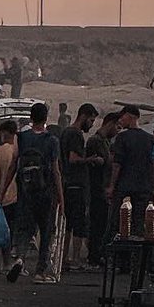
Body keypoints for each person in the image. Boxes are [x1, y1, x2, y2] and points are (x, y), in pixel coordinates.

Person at [4, 102, 63, 283]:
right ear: (46, 118)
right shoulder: (52, 140)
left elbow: (14, 164)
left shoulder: (22, 137)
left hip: (25, 191)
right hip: (46, 192)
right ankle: (40, 272)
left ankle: (20, 258)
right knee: (45, 231)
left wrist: (4, 188)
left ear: (31, 117)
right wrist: (61, 197)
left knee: (25, 228)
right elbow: (55, 170)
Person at [60, 103, 100, 271]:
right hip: (76, 184)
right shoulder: (76, 134)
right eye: (91, 120)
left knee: (68, 223)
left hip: (67, 183)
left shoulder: (66, 132)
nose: (91, 125)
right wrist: (91, 160)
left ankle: (64, 258)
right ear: (84, 116)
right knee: (78, 222)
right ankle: (75, 258)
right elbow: (73, 158)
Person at [107, 104, 154, 238]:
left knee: (118, 223)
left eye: (122, 117)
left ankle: (118, 256)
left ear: (130, 117)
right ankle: (137, 255)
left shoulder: (122, 138)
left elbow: (117, 164)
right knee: (138, 224)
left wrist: (111, 186)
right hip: (143, 188)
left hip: (124, 187)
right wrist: (153, 186)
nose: (120, 121)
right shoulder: (151, 139)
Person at [86, 112, 119, 265]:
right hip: (96, 189)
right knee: (97, 225)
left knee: (102, 224)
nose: (118, 131)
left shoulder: (105, 142)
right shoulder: (95, 141)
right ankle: (94, 255)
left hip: (102, 189)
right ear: (110, 123)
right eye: (117, 127)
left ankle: (98, 254)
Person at [0, 118, 20, 272]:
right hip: (21, 196)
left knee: (5, 230)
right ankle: (19, 260)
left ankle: (6, 263)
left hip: (4, 196)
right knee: (19, 230)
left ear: (4, 133)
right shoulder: (20, 150)